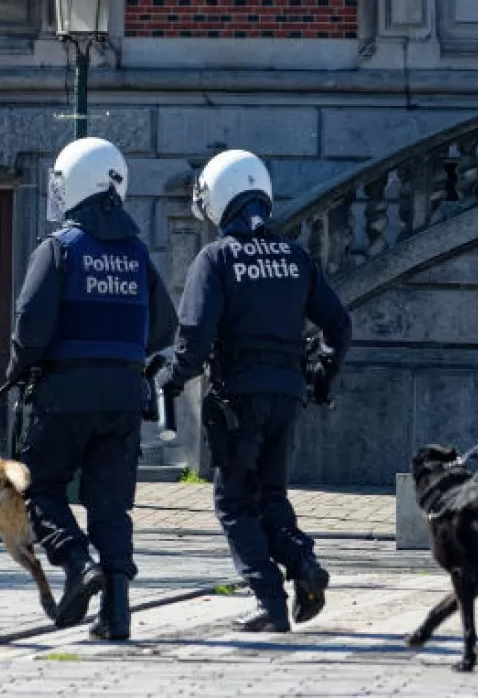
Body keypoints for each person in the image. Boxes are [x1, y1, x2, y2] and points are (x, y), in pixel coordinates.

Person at [155, 149, 353, 632]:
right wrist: (323, 375)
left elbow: (196, 335)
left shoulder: (217, 258)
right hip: (287, 393)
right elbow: (339, 324)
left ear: (219, 201)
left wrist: (173, 379)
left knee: (233, 501)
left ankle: (268, 598)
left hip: (238, 396)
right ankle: (303, 564)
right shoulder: (294, 255)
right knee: (270, 493)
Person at [6, 136, 178, 641]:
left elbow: (29, 328)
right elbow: (164, 326)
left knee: (37, 487)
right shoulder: (138, 254)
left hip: (63, 393)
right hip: (124, 396)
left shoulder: (59, 249)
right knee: (111, 506)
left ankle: (79, 565)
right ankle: (117, 615)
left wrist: (19, 375)